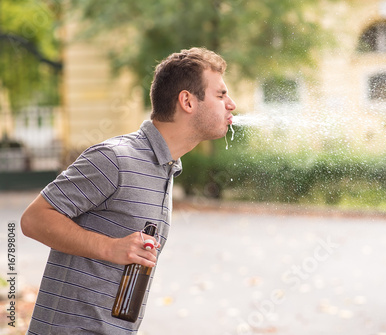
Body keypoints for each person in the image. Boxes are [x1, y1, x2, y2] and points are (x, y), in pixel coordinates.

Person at [20, 47, 236, 334]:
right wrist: (110, 247)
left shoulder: (165, 168)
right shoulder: (115, 159)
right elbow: (33, 219)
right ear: (187, 101)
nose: (231, 104)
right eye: (220, 95)